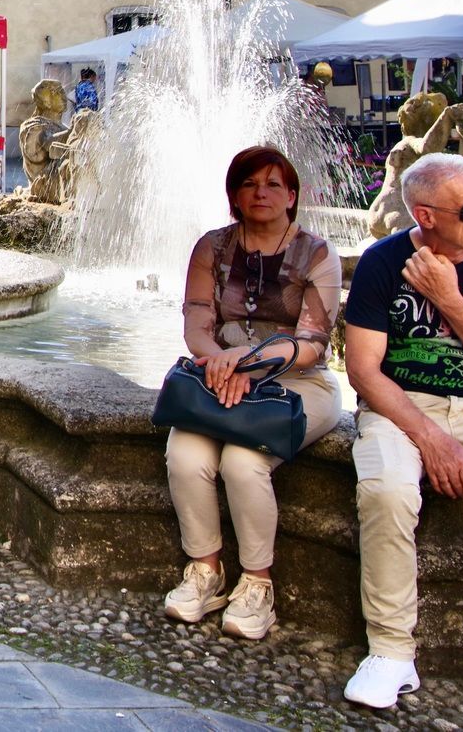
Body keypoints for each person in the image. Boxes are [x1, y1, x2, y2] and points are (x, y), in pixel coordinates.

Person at [339, 153, 463, 710]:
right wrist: (430, 435)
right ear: (425, 215)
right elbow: (363, 372)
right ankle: (391, 654)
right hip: (399, 409)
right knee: (386, 491)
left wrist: (448, 299)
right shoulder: (382, 262)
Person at [162, 147, 343, 642]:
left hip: (296, 383)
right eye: (248, 184)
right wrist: (219, 360)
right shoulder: (213, 247)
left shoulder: (317, 253)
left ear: (291, 195)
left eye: (272, 184)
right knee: (183, 454)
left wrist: (249, 363)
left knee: (244, 462)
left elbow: (311, 342)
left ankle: (257, 584)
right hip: (219, 375)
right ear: (234, 196)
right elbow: (197, 323)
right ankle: (206, 572)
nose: (260, 193)